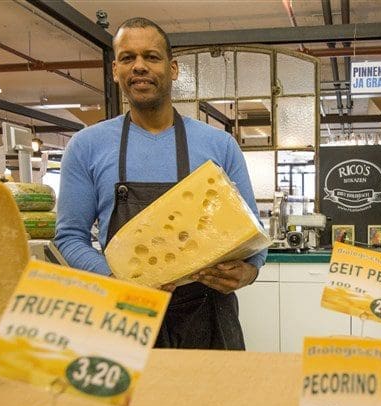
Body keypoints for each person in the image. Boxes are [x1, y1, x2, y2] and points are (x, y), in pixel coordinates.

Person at [55, 17, 267, 350]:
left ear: (173, 68)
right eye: (128, 58)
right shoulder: (86, 146)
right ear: (115, 70)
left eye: (151, 57)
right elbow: (69, 237)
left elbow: (254, 234)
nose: (139, 66)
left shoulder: (219, 145)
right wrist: (119, 281)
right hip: (126, 313)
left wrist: (250, 272)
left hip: (208, 314)